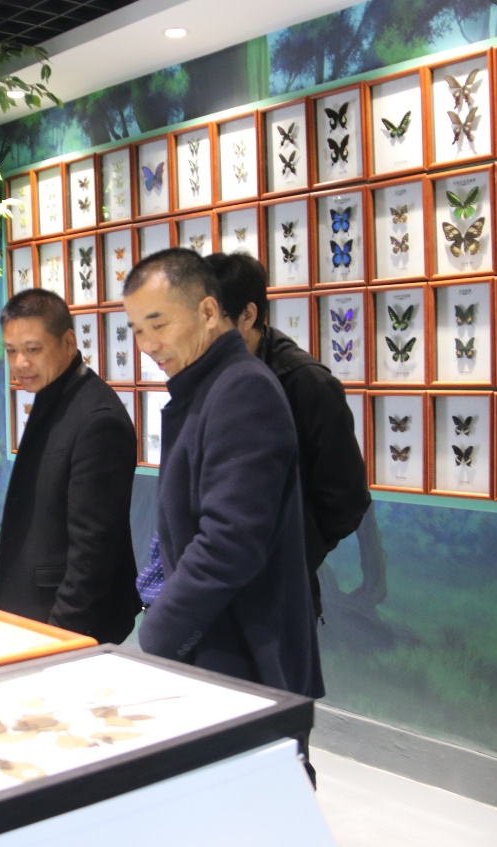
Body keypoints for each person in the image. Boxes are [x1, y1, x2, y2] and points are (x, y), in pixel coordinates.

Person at [122, 248, 323, 703]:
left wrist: (161, 630)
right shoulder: (203, 387)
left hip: (242, 653)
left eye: (158, 324)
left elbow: (231, 541)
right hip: (214, 644)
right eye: (136, 330)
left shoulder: (242, 388)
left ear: (209, 312)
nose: (147, 344)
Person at [212, 252, 372, 621]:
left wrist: (285, 556)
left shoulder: (307, 383)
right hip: (211, 588)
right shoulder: (207, 377)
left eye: (211, 318)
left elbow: (346, 499)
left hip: (277, 594)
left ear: (247, 315)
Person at [0, 289, 141, 643]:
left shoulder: (97, 419)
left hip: (69, 624)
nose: (20, 363)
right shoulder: (53, 396)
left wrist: (62, 633)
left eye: (33, 349)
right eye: (11, 350)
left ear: (68, 342)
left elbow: (94, 552)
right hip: (34, 614)